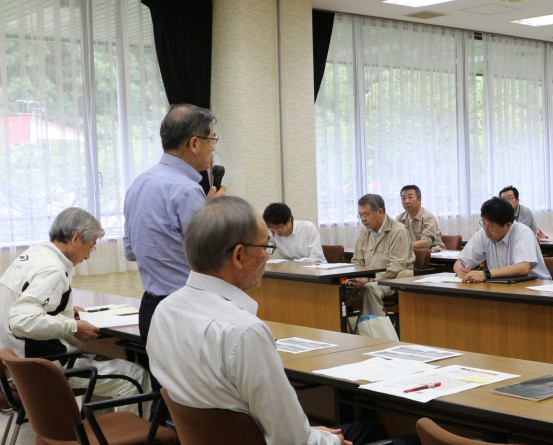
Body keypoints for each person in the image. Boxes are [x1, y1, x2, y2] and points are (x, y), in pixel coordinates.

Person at [148, 197, 403, 445]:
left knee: (367, 428)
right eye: (265, 247)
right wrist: (329, 439)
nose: (268, 257)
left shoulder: (165, 311)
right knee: (397, 436)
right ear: (239, 256)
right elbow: (292, 441)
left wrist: (309, 432)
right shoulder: (245, 332)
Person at [1, 208, 149, 412]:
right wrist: (71, 326)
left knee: (108, 367)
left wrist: (64, 311)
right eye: (91, 246)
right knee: (135, 377)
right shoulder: (53, 269)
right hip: (46, 366)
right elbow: (21, 321)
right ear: (76, 237)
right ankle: (131, 438)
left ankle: (100, 433)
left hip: (19, 365)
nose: (88, 256)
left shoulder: (33, 255)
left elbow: (22, 306)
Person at [123, 103, 226, 342]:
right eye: (212, 139)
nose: (213, 148)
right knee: (197, 380)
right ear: (194, 143)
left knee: (163, 380)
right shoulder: (187, 190)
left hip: (151, 308)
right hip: (186, 310)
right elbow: (209, 259)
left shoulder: (139, 183)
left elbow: (130, 251)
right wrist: (212, 214)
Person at [454, 198, 551, 281]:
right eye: (483, 223)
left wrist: (486, 274)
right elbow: (461, 261)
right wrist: (460, 268)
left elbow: (523, 268)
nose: (486, 230)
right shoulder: (483, 233)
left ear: (508, 225)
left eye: (492, 227)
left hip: (535, 287)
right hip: (502, 285)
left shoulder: (523, 233)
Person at [351, 194, 415, 318]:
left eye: (366, 214)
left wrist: (369, 280)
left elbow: (396, 267)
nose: (363, 219)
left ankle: (376, 332)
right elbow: (357, 261)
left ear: (380, 212)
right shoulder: (365, 231)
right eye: (360, 215)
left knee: (369, 289)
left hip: (394, 280)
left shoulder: (398, 231)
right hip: (369, 280)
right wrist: (354, 278)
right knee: (338, 288)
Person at [396, 185, 444, 251]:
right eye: (403, 198)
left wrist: (404, 247)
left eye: (410, 197)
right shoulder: (399, 219)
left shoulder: (428, 218)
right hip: (411, 255)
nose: (406, 201)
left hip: (434, 256)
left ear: (419, 200)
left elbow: (426, 242)